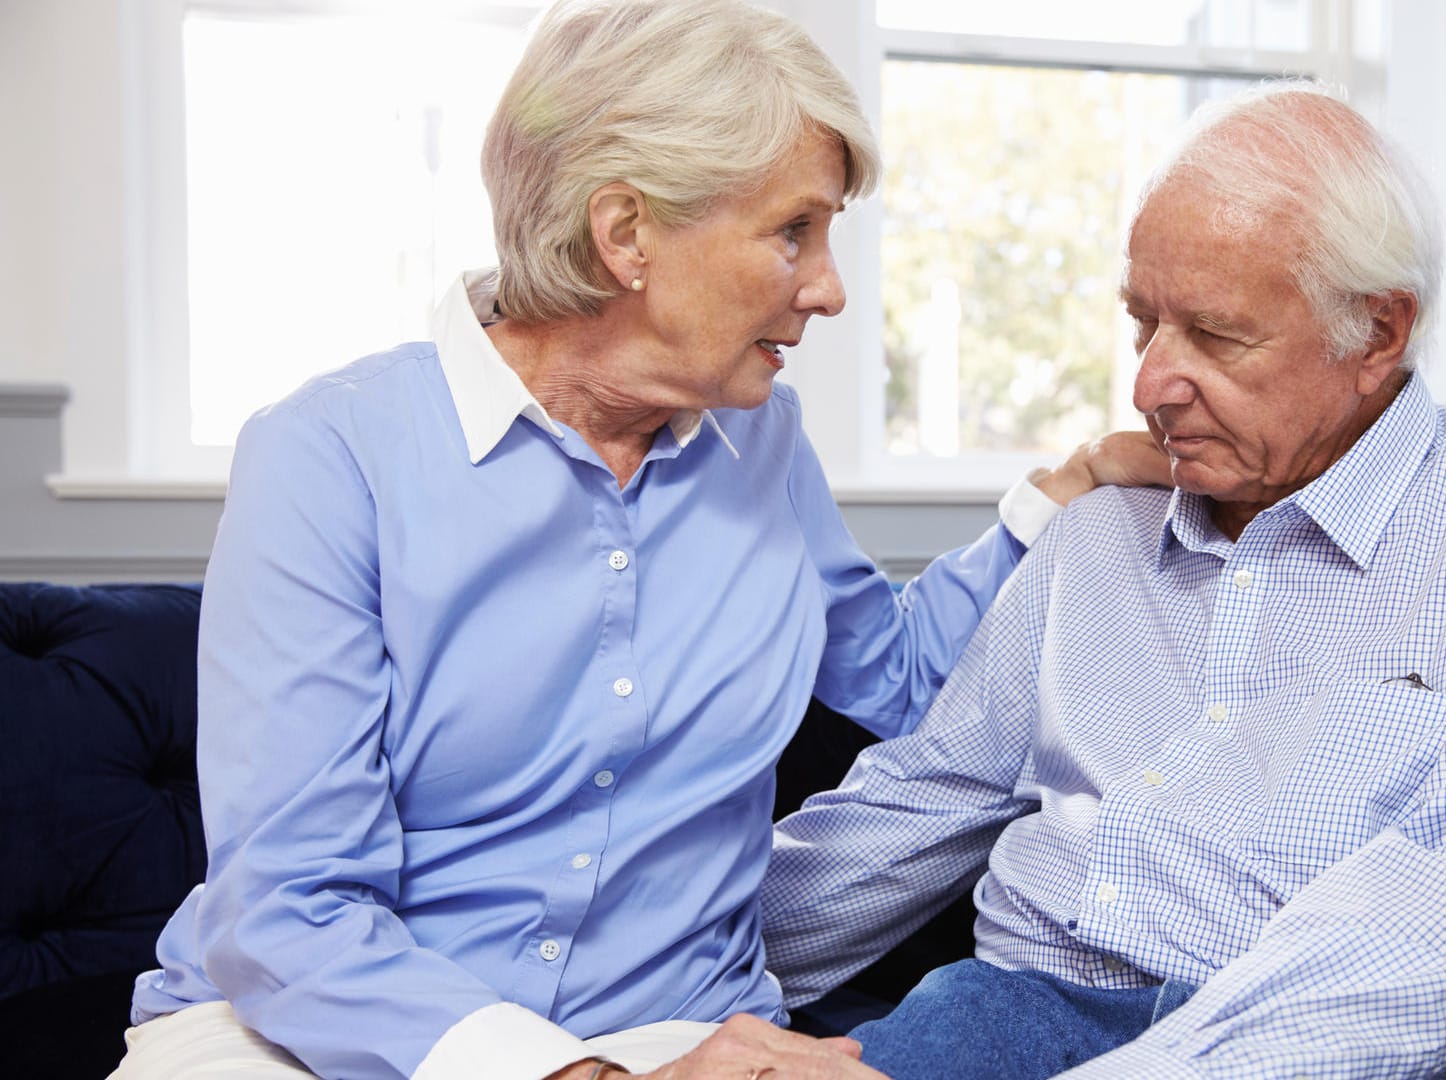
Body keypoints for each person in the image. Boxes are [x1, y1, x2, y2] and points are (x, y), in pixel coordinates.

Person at [109, 2, 1165, 1078]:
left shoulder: (762, 443)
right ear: (626, 236)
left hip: (669, 1028)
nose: (831, 288)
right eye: (793, 230)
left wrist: (1061, 497)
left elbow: (893, 676)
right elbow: (292, 907)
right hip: (312, 1033)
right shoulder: (331, 457)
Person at [761, 81, 1446, 1079]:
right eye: (1142, 324)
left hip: (1322, 1049)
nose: (1150, 384)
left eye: (1218, 336)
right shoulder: (1096, 538)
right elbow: (918, 807)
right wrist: (641, 1006)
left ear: (1378, 332)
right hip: (1005, 1015)